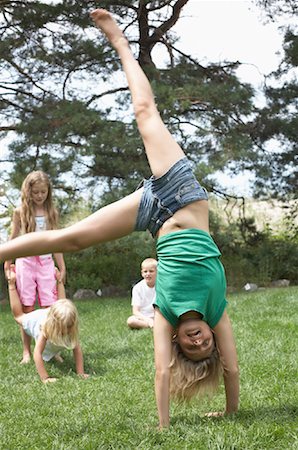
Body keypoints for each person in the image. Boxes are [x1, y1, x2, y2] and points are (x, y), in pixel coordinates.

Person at [0, 9, 239, 428]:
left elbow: (162, 371)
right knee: (146, 112)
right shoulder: (215, 309)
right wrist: (232, 407)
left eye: (192, 344)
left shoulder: (163, 312)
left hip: (153, 214)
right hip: (181, 194)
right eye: (205, 342)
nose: (199, 339)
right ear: (213, 338)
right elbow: (233, 370)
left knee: (71, 239)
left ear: (180, 341)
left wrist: (163, 426)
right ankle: (121, 44)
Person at [4, 171, 66, 364]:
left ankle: (52, 349)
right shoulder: (20, 212)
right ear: (28, 191)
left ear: (48, 191)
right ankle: (26, 351)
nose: (40, 196)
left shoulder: (51, 213)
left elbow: (57, 242)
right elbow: (13, 239)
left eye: (43, 192)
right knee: (27, 307)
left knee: (50, 308)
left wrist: (62, 266)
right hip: (25, 264)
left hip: (47, 264)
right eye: (36, 192)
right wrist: (7, 263)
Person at [7, 265, 88, 383]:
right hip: (37, 320)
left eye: (68, 328)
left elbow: (77, 349)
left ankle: (59, 280)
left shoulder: (69, 326)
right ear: (55, 325)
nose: (66, 332)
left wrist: (80, 373)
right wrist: (45, 378)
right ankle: (11, 285)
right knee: (19, 317)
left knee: (62, 304)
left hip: (51, 314)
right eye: (62, 329)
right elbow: (37, 353)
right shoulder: (45, 329)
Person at [127, 258, 157, 329]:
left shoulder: (162, 286)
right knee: (131, 321)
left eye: (151, 271)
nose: (148, 274)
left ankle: (156, 325)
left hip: (158, 316)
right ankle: (153, 326)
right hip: (143, 317)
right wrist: (148, 320)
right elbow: (135, 311)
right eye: (145, 271)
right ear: (142, 273)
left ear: (157, 272)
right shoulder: (137, 288)